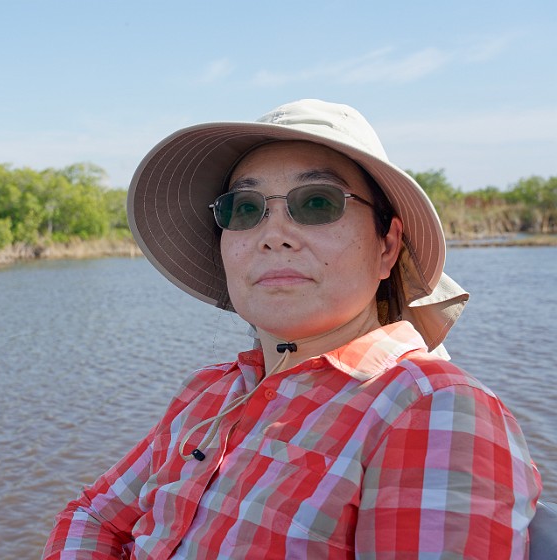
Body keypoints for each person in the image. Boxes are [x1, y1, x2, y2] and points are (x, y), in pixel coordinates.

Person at [42, 99, 542, 558]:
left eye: (318, 203)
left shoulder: (431, 410)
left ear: (387, 247)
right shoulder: (211, 392)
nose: (273, 236)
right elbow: (93, 516)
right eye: (245, 209)